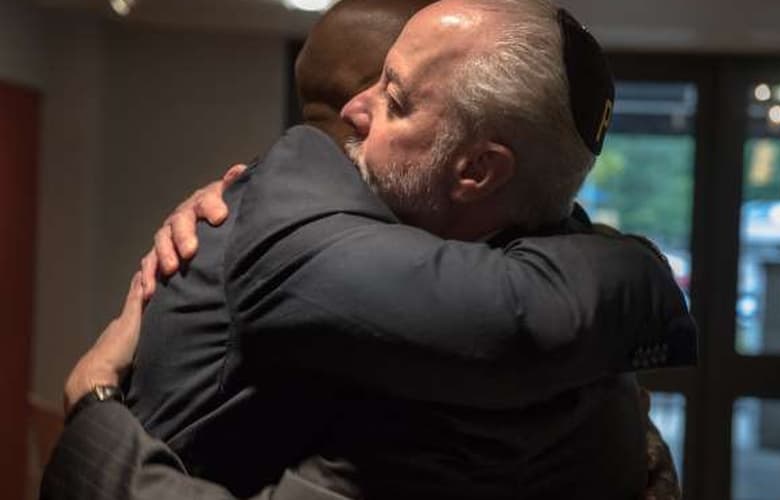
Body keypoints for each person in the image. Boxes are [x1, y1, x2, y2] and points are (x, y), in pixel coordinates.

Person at [42, 1, 692, 499]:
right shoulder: (568, 308)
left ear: (476, 170)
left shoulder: (464, 371)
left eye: (396, 99)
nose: (355, 109)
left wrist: (91, 408)